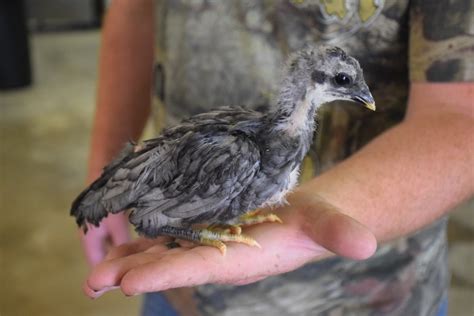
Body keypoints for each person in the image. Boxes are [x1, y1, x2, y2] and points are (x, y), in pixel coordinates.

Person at [78, 0, 473, 315]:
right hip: (179, 291)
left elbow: (462, 115)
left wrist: (322, 206)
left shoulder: (271, 148)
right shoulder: (241, 156)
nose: (357, 92)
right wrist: (109, 168)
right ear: (311, 85)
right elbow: (134, 9)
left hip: (373, 295)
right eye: (342, 82)